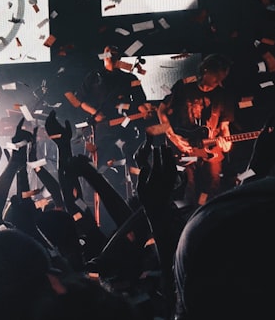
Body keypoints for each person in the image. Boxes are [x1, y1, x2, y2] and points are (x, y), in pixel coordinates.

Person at [156, 53, 238, 207]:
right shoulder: (183, 86)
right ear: (205, 70)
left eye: (222, 79)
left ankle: (205, 216)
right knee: (188, 187)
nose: (218, 83)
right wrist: (173, 137)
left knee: (212, 188)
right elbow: (161, 111)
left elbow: (224, 124)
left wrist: (226, 140)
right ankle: (187, 221)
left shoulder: (223, 93)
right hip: (184, 147)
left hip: (211, 148)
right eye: (216, 78)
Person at [75, 45, 149, 173]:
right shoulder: (93, 76)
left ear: (119, 56)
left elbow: (140, 102)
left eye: (114, 52)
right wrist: (94, 113)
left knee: (126, 160)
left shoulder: (129, 78)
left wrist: (145, 109)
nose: (110, 54)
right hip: (102, 128)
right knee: (103, 162)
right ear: (103, 56)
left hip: (124, 125)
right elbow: (79, 100)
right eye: (107, 51)